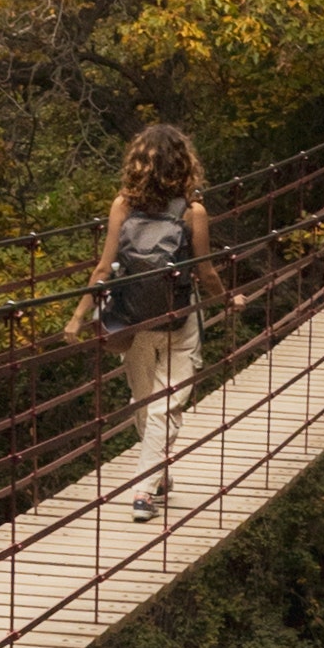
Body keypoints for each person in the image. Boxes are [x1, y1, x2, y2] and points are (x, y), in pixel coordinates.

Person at [72, 118, 228, 518]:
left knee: (147, 405)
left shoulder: (122, 206)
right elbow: (207, 273)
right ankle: (155, 474)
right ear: (184, 164)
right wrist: (227, 302)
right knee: (163, 407)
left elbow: (103, 268)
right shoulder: (193, 211)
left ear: (137, 164)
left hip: (132, 318)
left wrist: (78, 317)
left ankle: (143, 490)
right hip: (179, 318)